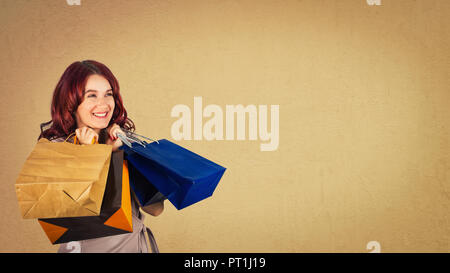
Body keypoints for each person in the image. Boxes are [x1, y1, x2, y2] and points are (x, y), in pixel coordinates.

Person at [38, 60, 163, 253]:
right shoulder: (57, 148)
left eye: (108, 94)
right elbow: (70, 215)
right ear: (71, 102)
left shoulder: (124, 143)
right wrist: (94, 156)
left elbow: (155, 209)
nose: (103, 104)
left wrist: (124, 156)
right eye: (91, 96)